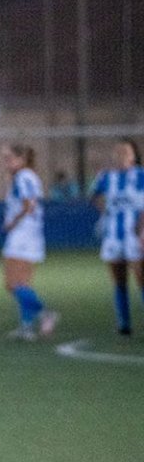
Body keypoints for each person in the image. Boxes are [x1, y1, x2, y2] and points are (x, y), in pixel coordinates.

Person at [1, 145, 59, 341]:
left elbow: (28, 205)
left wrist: (12, 223)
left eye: (9, 158)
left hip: (22, 234)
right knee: (23, 284)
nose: (6, 163)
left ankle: (45, 313)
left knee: (11, 284)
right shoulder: (29, 176)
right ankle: (26, 327)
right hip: (31, 234)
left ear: (21, 159)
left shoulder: (23, 177)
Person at [90, 139, 144, 335]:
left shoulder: (141, 175)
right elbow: (94, 196)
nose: (121, 155)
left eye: (126, 151)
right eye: (118, 151)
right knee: (119, 280)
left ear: (133, 156)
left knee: (141, 277)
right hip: (113, 236)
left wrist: (141, 226)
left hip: (135, 235)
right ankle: (124, 324)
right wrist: (105, 211)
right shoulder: (106, 177)